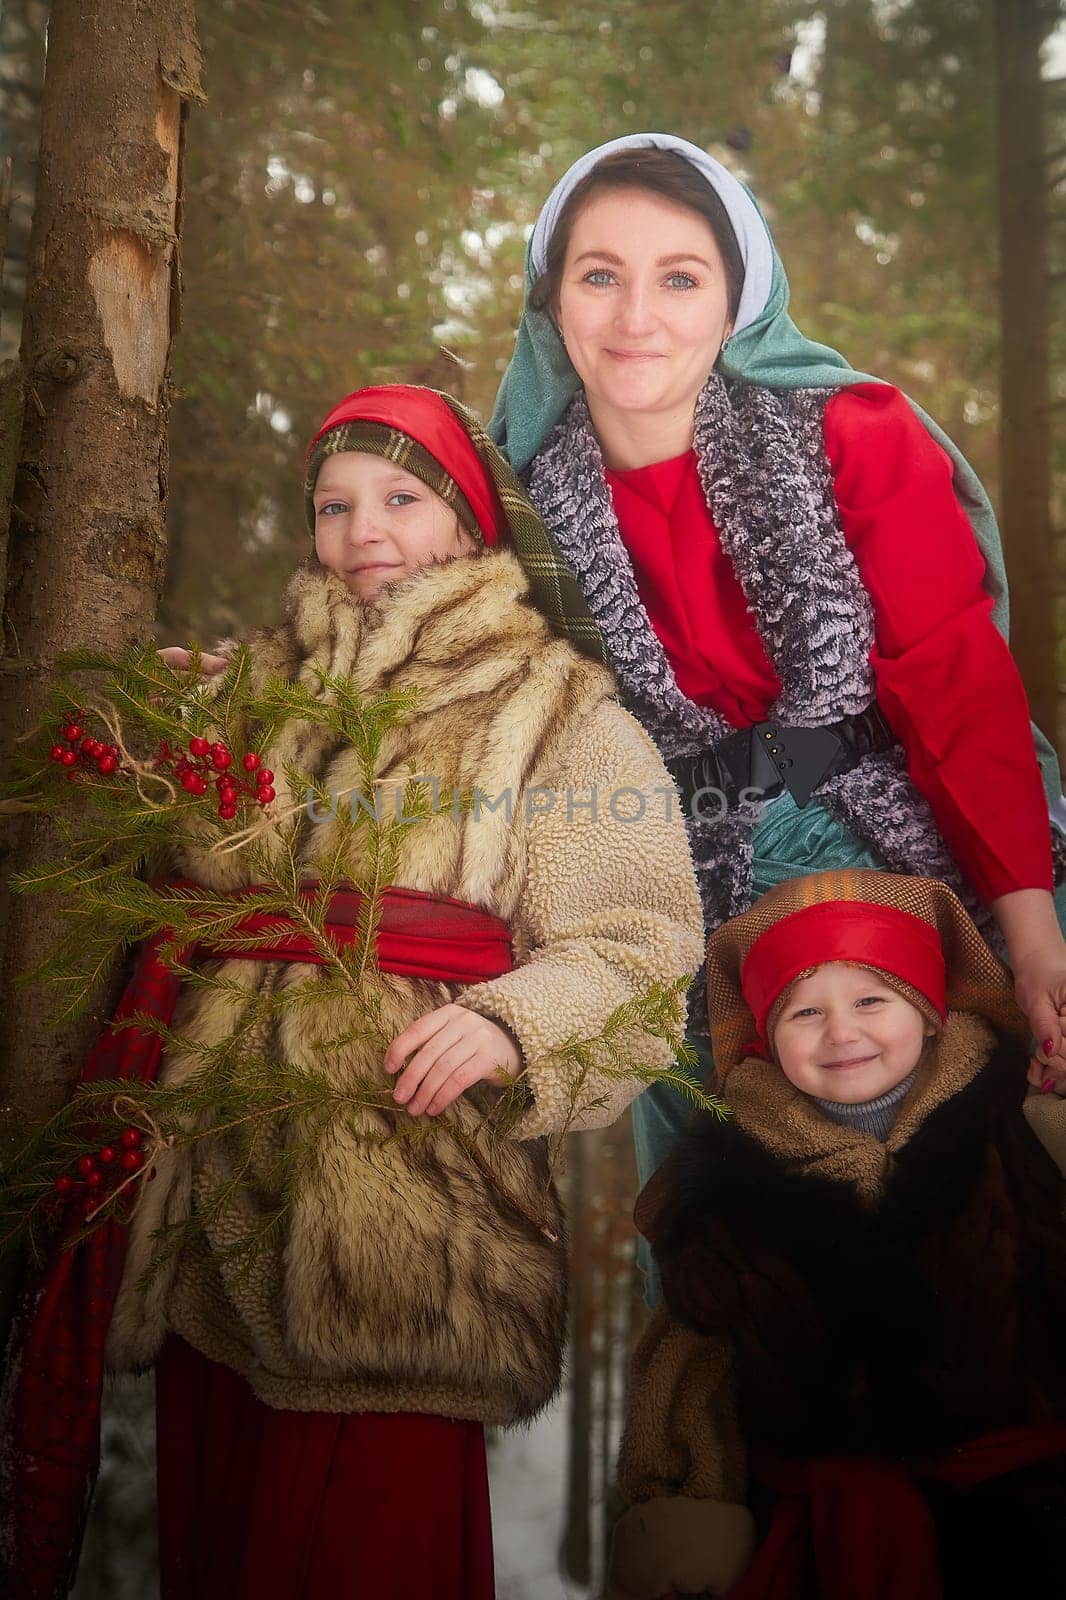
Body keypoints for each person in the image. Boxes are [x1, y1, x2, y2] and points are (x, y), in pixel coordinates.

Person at [1, 384, 705, 1600]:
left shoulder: (559, 716)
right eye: (334, 505)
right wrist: (163, 750)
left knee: (366, 1555)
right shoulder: (257, 686)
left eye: (401, 497)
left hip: (404, 1228)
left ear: (471, 521)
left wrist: (509, 1023)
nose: (363, 527)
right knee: (216, 1550)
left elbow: (646, 949)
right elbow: (181, 884)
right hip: (214, 1211)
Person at [486, 133, 1066, 1283]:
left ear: (740, 296)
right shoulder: (517, 498)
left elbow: (953, 676)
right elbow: (424, 665)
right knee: (737, 1255)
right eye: (598, 273)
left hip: (901, 854)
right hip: (683, 897)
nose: (635, 315)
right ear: (552, 297)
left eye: (679, 276)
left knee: (974, 1210)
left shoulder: (853, 432)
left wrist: (1032, 920)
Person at [607, 867, 1066, 1600]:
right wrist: (687, 1501)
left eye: (871, 999)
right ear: (766, 1038)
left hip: (1033, 1518)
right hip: (825, 1542)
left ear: (928, 1011)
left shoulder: (1016, 1125)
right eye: (804, 1014)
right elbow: (692, 1366)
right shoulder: (727, 1181)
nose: (842, 1032)